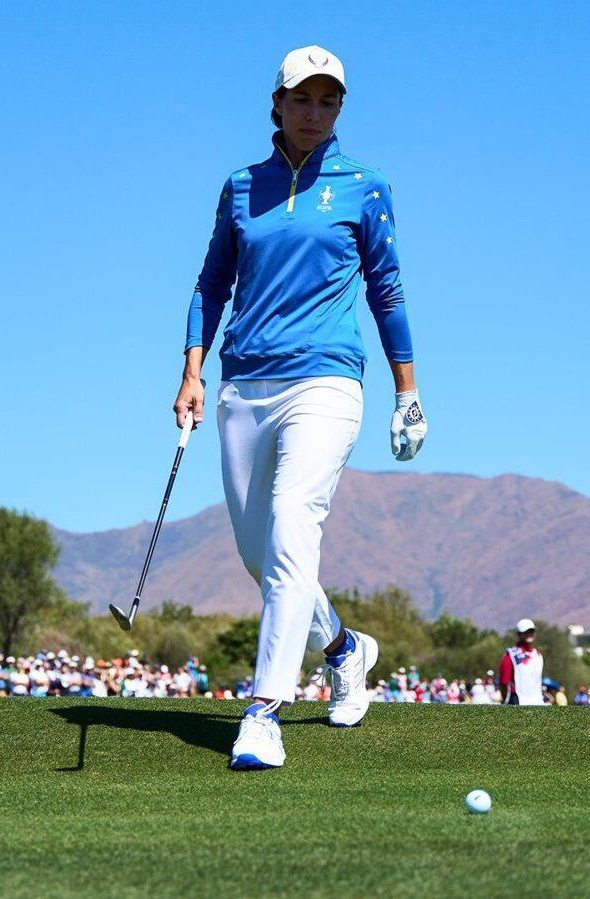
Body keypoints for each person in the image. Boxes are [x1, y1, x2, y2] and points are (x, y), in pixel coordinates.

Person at [174, 45, 426, 771]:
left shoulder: (365, 186)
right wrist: (191, 373)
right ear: (277, 104)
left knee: (291, 526)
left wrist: (408, 391)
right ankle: (344, 648)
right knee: (261, 554)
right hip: (242, 384)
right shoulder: (240, 187)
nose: (315, 113)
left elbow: (387, 289)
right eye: (303, 99)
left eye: (328, 101)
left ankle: (263, 712)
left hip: (326, 382)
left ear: (340, 109)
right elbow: (210, 285)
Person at [497, 619, 546, 705]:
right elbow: (504, 682)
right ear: (519, 634)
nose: (529, 634)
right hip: (518, 701)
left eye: (531, 631)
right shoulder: (511, 655)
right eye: (526, 632)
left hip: (538, 701)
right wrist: (508, 699)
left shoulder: (537, 655)